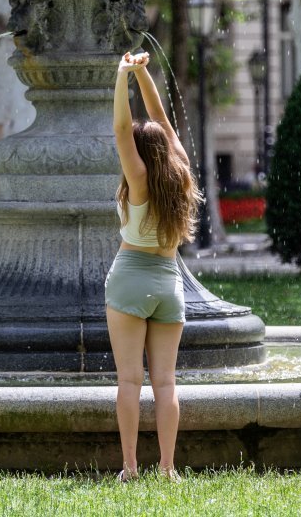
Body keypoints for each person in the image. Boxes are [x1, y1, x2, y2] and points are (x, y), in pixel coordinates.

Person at [106, 51, 201, 482]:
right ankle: (167, 468)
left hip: (129, 279)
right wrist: (145, 74)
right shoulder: (180, 174)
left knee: (130, 381)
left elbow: (123, 128)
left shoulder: (139, 180)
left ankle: (129, 468)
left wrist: (122, 75)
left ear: (141, 154)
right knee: (165, 382)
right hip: (169, 283)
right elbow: (159, 117)